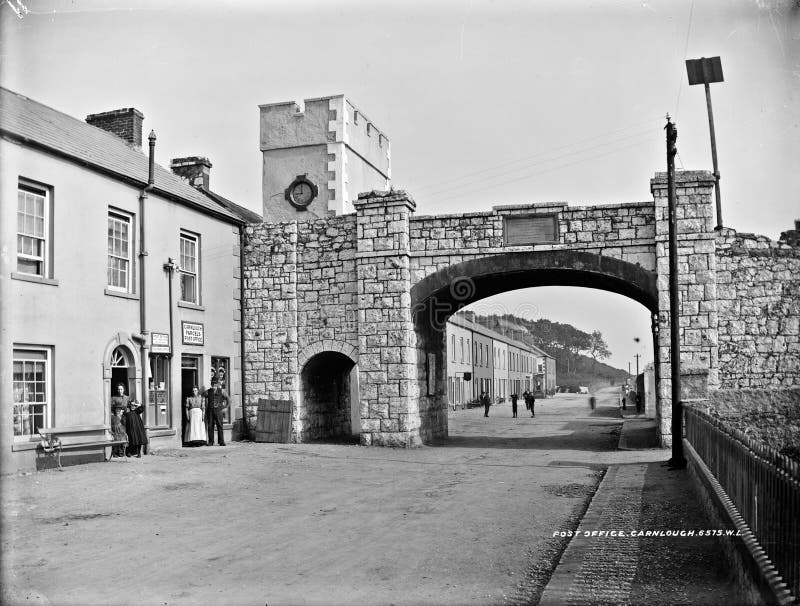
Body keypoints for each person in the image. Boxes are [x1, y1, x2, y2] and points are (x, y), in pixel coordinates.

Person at [205, 379, 228, 446]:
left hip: (218, 410)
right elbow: (201, 396)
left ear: (217, 384)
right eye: (212, 383)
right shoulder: (208, 391)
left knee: (220, 426)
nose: (213, 385)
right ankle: (211, 441)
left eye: (215, 383)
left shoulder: (222, 391)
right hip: (210, 411)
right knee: (210, 426)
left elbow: (229, 399)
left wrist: (226, 408)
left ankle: (221, 441)